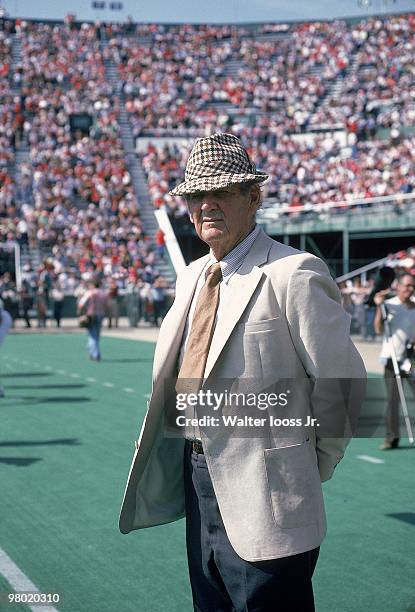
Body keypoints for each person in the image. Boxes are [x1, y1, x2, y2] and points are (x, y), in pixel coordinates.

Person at [119, 133, 366, 612]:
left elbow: (344, 387)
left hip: (272, 494)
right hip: (196, 479)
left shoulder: (294, 272)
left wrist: (307, 467)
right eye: (196, 195)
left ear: (253, 197)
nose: (206, 205)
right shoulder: (192, 276)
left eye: (222, 192)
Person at [374, 272, 415, 450]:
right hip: (392, 359)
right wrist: (379, 307)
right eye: (406, 285)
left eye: (412, 286)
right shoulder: (388, 305)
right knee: (393, 401)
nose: (410, 289)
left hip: (411, 360)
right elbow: (378, 329)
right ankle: (392, 438)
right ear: (398, 286)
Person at [77, 279, 108, 362]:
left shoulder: (90, 293)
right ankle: (92, 351)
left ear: (93, 285)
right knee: (96, 335)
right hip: (101, 314)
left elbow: (81, 304)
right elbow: (106, 305)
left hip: (91, 315)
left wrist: (81, 313)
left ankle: (95, 353)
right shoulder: (103, 293)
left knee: (92, 335)